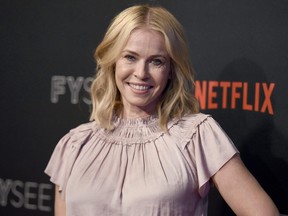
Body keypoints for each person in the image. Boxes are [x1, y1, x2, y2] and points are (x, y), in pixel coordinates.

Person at [45, 4, 279, 216]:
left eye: (156, 61)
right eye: (130, 57)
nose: (141, 73)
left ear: (171, 70)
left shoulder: (197, 135)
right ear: (113, 61)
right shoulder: (75, 145)